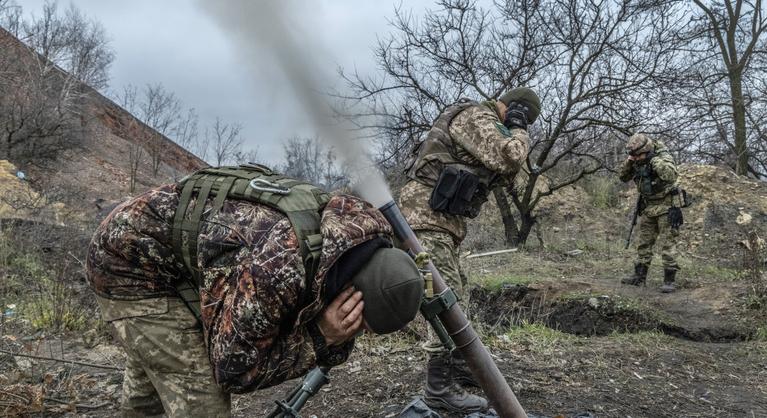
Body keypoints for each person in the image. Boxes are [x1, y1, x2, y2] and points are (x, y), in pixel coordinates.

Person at [86, 166, 424, 417]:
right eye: (361, 325)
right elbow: (233, 370)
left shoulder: (359, 235)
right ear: (352, 294)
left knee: (156, 378)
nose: (357, 332)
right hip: (129, 265)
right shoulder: (278, 270)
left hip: (168, 251)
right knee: (200, 396)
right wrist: (319, 337)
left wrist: (331, 337)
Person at [398, 88, 538, 413]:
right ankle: (439, 391)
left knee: (454, 293)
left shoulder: (488, 127)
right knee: (445, 300)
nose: (522, 123)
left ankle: (460, 366)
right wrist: (519, 131)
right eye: (523, 115)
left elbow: (507, 175)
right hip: (424, 219)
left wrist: (514, 135)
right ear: (513, 107)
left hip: (438, 222)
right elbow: (510, 156)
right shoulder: (476, 115)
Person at [619, 133, 682, 293]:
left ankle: (669, 280)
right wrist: (629, 162)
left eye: (639, 155)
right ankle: (639, 276)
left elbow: (670, 175)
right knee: (644, 243)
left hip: (666, 205)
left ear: (647, 150)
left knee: (668, 244)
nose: (637, 158)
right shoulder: (636, 159)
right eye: (634, 155)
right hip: (648, 206)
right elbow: (623, 177)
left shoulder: (662, 156)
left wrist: (653, 160)